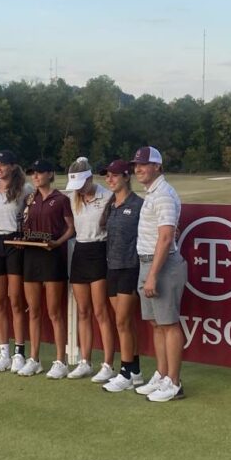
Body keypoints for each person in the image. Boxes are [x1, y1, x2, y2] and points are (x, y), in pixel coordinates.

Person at [129, 147, 188, 402]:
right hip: (149, 263)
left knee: (169, 324)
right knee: (156, 323)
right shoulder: (153, 193)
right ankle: (163, 375)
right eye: (136, 165)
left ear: (157, 167)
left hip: (161, 265)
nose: (138, 169)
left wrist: (152, 275)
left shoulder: (162, 194)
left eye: (144, 164)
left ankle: (174, 383)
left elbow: (165, 238)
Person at [17, 158, 75, 378]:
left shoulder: (60, 199)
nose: (36, 176)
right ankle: (34, 358)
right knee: (33, 311)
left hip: (52, 256)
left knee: (54, 311)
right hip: (31, 255)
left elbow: (70, 228)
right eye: (33, 173)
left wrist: (58, 243)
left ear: (50, 174)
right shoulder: (30, 199)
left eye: (40, 172)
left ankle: (61, 360)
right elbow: (26, 227)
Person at [96, 159, 147, 392]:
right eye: (107, 176)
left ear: (127, 176)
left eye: (115, 175)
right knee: (124, 323)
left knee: (122, 322)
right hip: (112, 267)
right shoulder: (111, 204)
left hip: (131, 267)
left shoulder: (138, 204)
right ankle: (135, 371)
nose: (110, 179)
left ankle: (126, 371)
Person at [64, 157, 116, 380]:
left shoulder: (107, 196)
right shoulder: (73, 197)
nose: (79, 190)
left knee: (100, 311)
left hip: (99, 251)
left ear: (90, 178)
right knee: (83, 311)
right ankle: (85, 361)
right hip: (80, 252)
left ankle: (108, 364)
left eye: (82, 185)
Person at [0, 150, 33, 372]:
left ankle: (19, 352)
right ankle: (3, 351)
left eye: (2, 165)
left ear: (13, 166)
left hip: (15, 244)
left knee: (15, 300)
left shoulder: (25, 189)